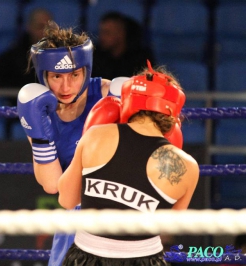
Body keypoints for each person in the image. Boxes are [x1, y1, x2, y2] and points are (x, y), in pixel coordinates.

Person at [57, 61, 200, 265]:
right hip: (145, 259)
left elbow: (66, 200)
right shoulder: (188, 166)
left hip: (86, 258)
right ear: (172, 113)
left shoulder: (96, 136)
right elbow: (169, 228)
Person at [17, 20, 119, 266]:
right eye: (56, 76)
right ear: (44, 76)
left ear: (87, 70)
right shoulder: (38, 109)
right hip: (74, 212)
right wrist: (40, 133)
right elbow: (52, 185)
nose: (66, 86)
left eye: (74, 74)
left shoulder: (111, 96)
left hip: (118, 212)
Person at [0, 8, 53, 89]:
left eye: (49, 27)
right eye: (40, 27)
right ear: (29, 27)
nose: (45, 32)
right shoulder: (16, 55)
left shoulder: (62, 52)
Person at [92, 11, 155, 80]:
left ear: (121, 33)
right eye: (101, 32)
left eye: (107, 33)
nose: (102, 37)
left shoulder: (140, 58)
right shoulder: (96, 55)